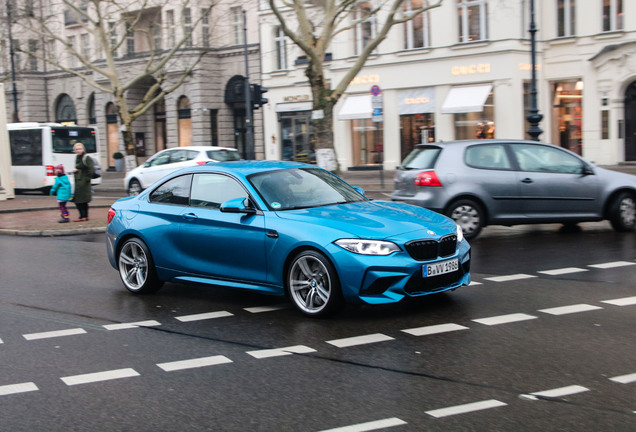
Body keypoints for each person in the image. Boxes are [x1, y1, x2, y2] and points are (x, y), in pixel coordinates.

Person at [72, 141, 94, 222]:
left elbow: (91, 169)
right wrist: (76, 171)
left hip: (84, 182)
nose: (78, 150)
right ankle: (83, 216)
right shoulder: (77, 157)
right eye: (77, 149)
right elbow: (80, 168)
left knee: (81, 200)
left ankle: (83, 216)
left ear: (83, 149)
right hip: (78, 182)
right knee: (80, 200)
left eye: (80, 149)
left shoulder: (86, 157)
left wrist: (87, 179)